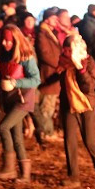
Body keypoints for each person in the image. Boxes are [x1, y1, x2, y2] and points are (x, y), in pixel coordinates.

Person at [55, 34, 95, 187]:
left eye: (70, 49)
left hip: (86, 105)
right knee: (69, 140)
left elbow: (89, 87)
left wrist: (80, 70)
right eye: (66, 50)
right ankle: (73, 177)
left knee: (89, 140)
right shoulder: (63, 63)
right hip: (69, 105)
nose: (67, 53)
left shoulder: (88, 62)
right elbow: (62, 84)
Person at [0, 26, 39, 183]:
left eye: (9, 41)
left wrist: (15, 82)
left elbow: (36, 79)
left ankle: (9, 169)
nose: (5, 43)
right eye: (3, 40)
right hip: (10, 100)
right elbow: (1, 76)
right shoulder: (4, 56)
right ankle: (24, 174)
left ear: (16, 40)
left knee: (3, 127)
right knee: (17, 136)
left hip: (23, 100)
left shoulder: (26, 57)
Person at [32, 9, 62, 145]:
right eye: (54, 18)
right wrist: (61, 64)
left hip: (53, 72)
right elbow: (45, 54)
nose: (57, 21)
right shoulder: (42, 34)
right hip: (48, 73)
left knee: (49, 105)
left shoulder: (49, 33)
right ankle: (46, 132)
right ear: (47, 19)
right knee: (46, 106)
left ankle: (48, 131)